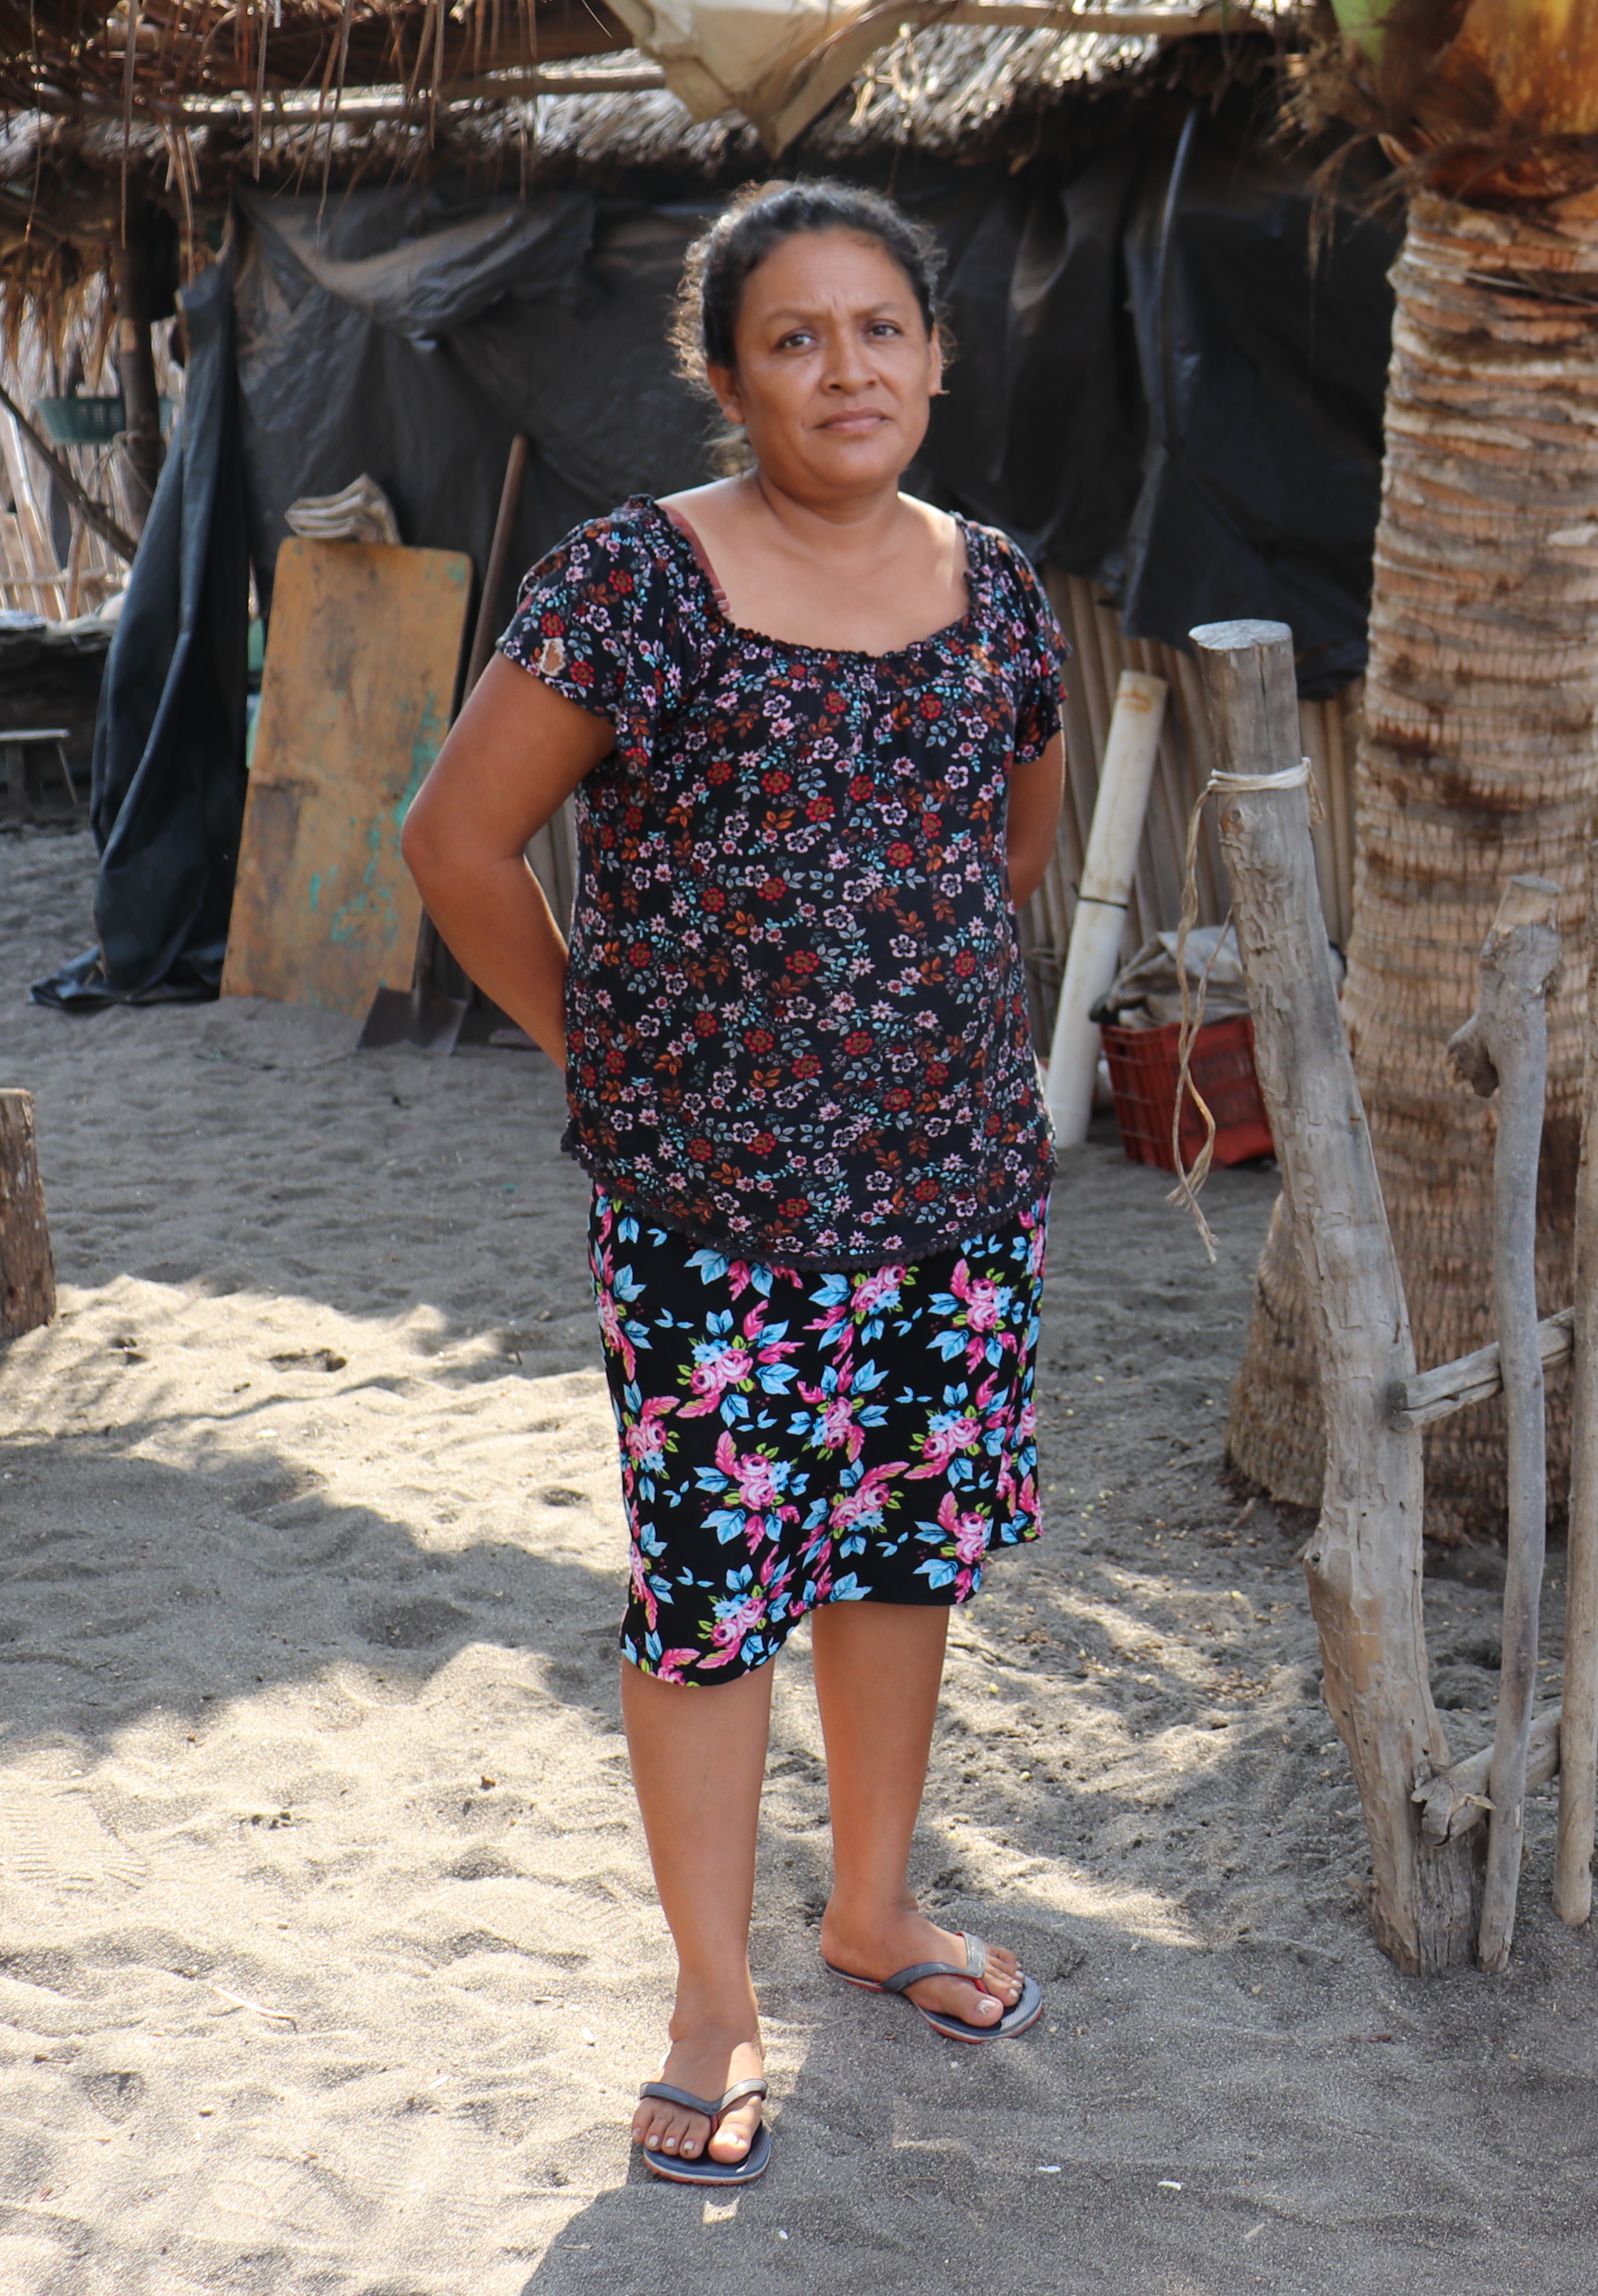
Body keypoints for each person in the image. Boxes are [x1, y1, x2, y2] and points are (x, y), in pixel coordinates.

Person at [403, 180, 1067, 2184]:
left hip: (954, 1191)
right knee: (708, 1594)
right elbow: (455, 845)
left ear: (937, 359)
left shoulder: (1003, 589)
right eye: (796, 337)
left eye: (881, 330)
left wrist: (902, 1027)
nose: (846, 369)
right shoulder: (633, 583)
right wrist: (614, 1059)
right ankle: (714, 1994)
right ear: (727, 376)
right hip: (714, 1207)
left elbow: (1008, 843)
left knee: (896, 1558)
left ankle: (870, 1910)